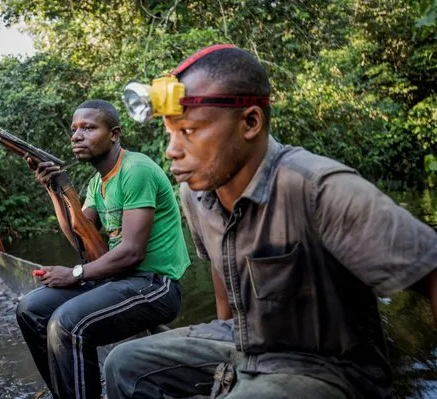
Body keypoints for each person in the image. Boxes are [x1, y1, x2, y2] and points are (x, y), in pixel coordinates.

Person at [104, 45, 437, 398]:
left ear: (250, 122)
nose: (171, 150)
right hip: (245, 342)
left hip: (327, 366)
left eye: (189, 131)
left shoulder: (318, 188)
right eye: (170, 132)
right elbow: (222, 275)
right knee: (124, 363)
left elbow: (431, 268)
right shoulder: (194, 193)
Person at [15, 100, 191, 399]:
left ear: (114, 134)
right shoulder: (98, 183)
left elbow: (132, 252)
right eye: (74, 130)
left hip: (156, 285)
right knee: (30, 309)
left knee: (67, 324)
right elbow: (79, 236)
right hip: (119, 279)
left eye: (88, 128)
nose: (76, 136)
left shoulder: (136, 169)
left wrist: (75, 273)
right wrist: (55, 191)